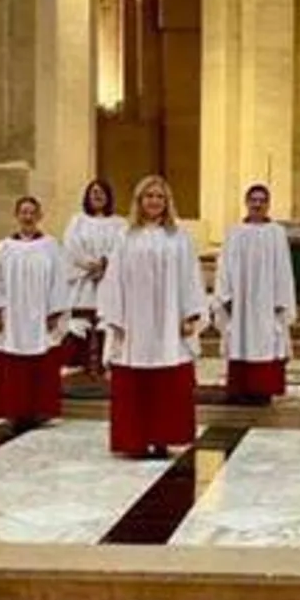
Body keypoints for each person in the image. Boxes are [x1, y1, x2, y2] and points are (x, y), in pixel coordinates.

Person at [99, 175, 206, 457]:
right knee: (135, 378)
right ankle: (135, 439)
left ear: (167, 202)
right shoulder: (125, 236)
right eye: (149, 196)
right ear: (139, 200)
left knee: (168, 379)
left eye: (160, 196)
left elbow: (190, 276)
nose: (154, 201)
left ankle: (163, 437)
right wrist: (115, 318)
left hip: (169, 322)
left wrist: (190, 314)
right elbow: (114, 279)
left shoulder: (179, 237)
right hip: (134, 322)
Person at [0, 196, 69, 426]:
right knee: (11, 363)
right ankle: (13, 409)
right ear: (16, 215)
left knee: (43, 360)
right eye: (23, 212)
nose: (28, 217)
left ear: (39, 216)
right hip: (12, 315)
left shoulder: (51, 246)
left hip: (41, 315)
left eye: (32, 212)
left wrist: (54, 312)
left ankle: (41, 410)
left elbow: (59, 280)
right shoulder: (4, 247)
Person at [213, 184, 296, 405]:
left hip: (268, 302)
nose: (257, 204)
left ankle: (262, 390)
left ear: (268, 204)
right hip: (240, 302)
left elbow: (283, 268)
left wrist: (281, 299)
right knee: (240, 341)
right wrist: (226, 296)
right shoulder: (234, 232)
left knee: (266, 342)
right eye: (253, 200)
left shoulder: (276, 233)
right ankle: (240, 390)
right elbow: (224, 266)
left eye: (262, 200)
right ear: (246, 202)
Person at [62, 178, 123, 377]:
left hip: (109, 280)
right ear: (87, 196)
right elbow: (71, 246)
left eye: (101, 192)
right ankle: (80, 365)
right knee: (79, 322)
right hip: (84, 280)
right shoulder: (77, 221)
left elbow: (121, 249)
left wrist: (105, 264)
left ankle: (105, 365)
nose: (97, 195)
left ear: (108, 197)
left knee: (106, 321)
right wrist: (89, 264)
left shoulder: (119, 224)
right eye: (93, 192)